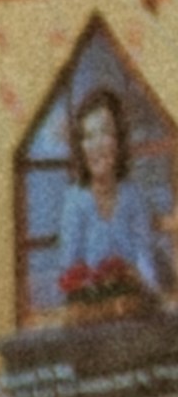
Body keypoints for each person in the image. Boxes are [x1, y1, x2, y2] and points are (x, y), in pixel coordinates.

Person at [54, 84, 172, 310]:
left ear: (118, 140)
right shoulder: (75, 201)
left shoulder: (133, 195)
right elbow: (69, 271)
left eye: (105, 132)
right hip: (90, 317)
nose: (96, 145)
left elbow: (144, 259)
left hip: (133, 310)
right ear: (81, 147)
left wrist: (145, 291)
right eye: (88, 136)